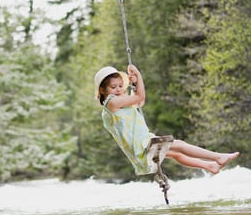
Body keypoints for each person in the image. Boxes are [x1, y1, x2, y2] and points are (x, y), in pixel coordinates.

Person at [94, 64, 239, 176]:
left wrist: (136, 83)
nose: (119, 89)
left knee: (176, 154)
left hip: (142, 146)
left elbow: (138, 103)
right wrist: (139, 75)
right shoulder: (112, 103)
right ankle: (218, 157)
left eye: (120, 86)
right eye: (113, 87)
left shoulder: (118, 102)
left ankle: (209, 166)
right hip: (142, 146)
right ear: (102, 90)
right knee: (180, 145)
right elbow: (140, 98)